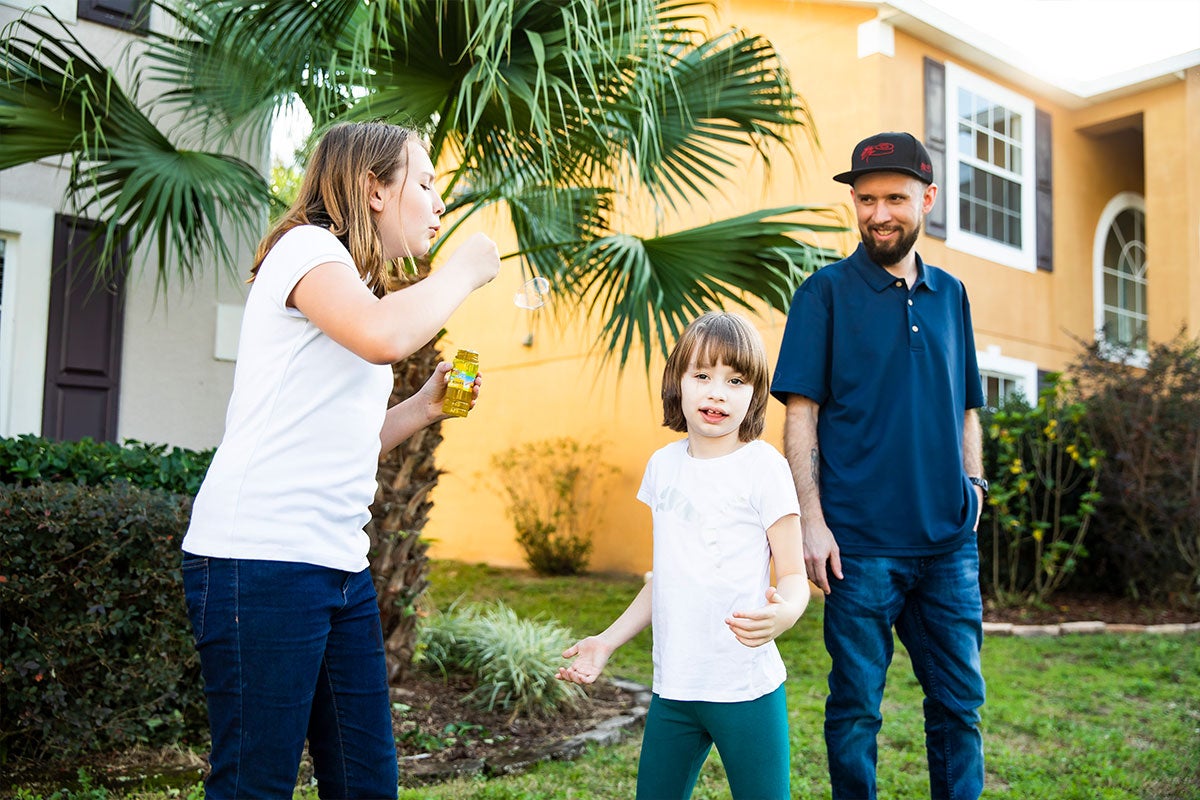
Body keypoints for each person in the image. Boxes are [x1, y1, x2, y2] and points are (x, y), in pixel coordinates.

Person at [180, 121, 501, 799]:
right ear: (372, 189)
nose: (439, 202)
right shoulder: (304, 250)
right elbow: (385, 337)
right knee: (254, 785)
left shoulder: (358, 290)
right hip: (259, 561)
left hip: (338, 566)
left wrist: (423, 409)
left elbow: (341, 434)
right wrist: (466, 270)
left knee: (364, 784)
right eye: (424, 183)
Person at [771, 131, 988, 800]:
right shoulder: (825, 294)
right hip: (857, 548)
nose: (879, 214)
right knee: (856, 710)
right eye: (866, 200)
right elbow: (800, 414)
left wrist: (975, 489)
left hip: (947, 545)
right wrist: (813, 523)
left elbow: (969, 408)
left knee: (959, 708)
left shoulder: (952, 295)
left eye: (894, 198)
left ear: (926, 198)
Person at [557, 311, 810, 800]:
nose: (717, 392)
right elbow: (665, 580)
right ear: (677, 383)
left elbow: (794, 573)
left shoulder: (765, 468)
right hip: (674, 687)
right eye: (702, 375)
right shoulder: (663, 466)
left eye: (735, 381)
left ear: (755, 394)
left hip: (745, 688)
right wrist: (606, 642)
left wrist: (787, 612)